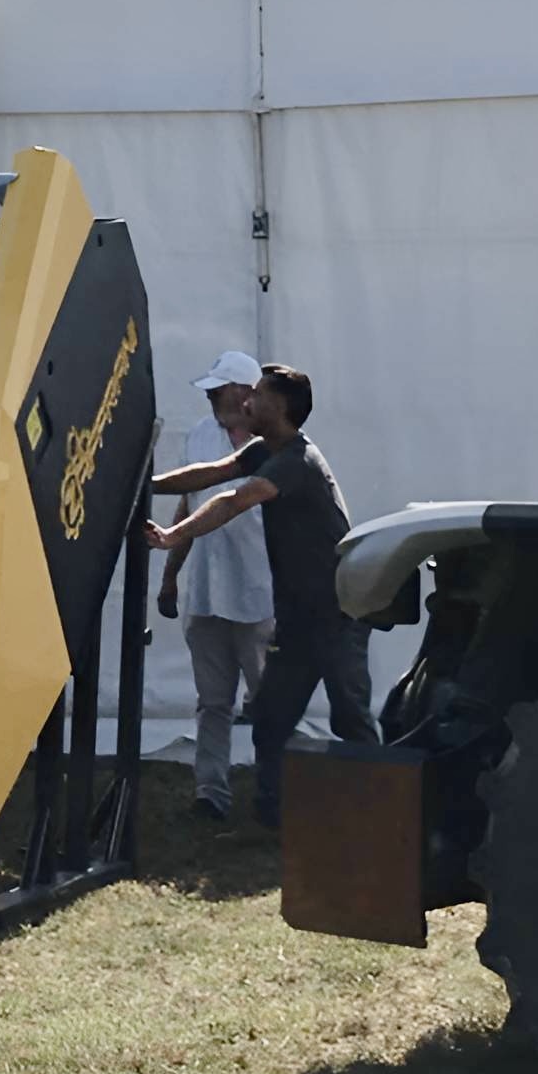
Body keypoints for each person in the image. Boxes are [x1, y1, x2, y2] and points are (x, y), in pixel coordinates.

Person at [141, 362, 367, 826]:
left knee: (352, 721)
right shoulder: (268, 448)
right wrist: (146, 486)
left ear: (279, 406)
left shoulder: (296, 463)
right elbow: (211, 474)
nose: (247, 401)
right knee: (271, 721)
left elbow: (232, 499)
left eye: (258, 395)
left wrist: (170, 535)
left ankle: (379, 816)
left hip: (337, 616)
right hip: (297, 620)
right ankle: (273, 818)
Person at [155, 350, 274, 821]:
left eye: (218, 389)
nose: (210, 397)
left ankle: (273, 793)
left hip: (260, 590)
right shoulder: (203, 435)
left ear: (246, 394)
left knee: (268, 702)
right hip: (207, 590)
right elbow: (191, 503)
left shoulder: (276, 444)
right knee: (212, 701)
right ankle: (210, 793)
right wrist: (170, 576)